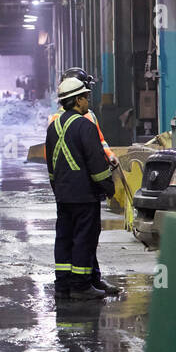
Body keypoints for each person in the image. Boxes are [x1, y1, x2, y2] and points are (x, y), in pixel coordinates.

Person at [46, 76, 118, 301]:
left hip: (63, 194)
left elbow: (51, 166)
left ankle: (63, 284)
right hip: (84, 195)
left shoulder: (53, 126)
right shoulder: (84, 126)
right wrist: (108, 187)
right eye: (85, 97)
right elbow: (96, 165)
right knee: (84, 239)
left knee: (64, 238)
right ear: (77, 100)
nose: (88, 101)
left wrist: (57, 188)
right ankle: (81, 285)